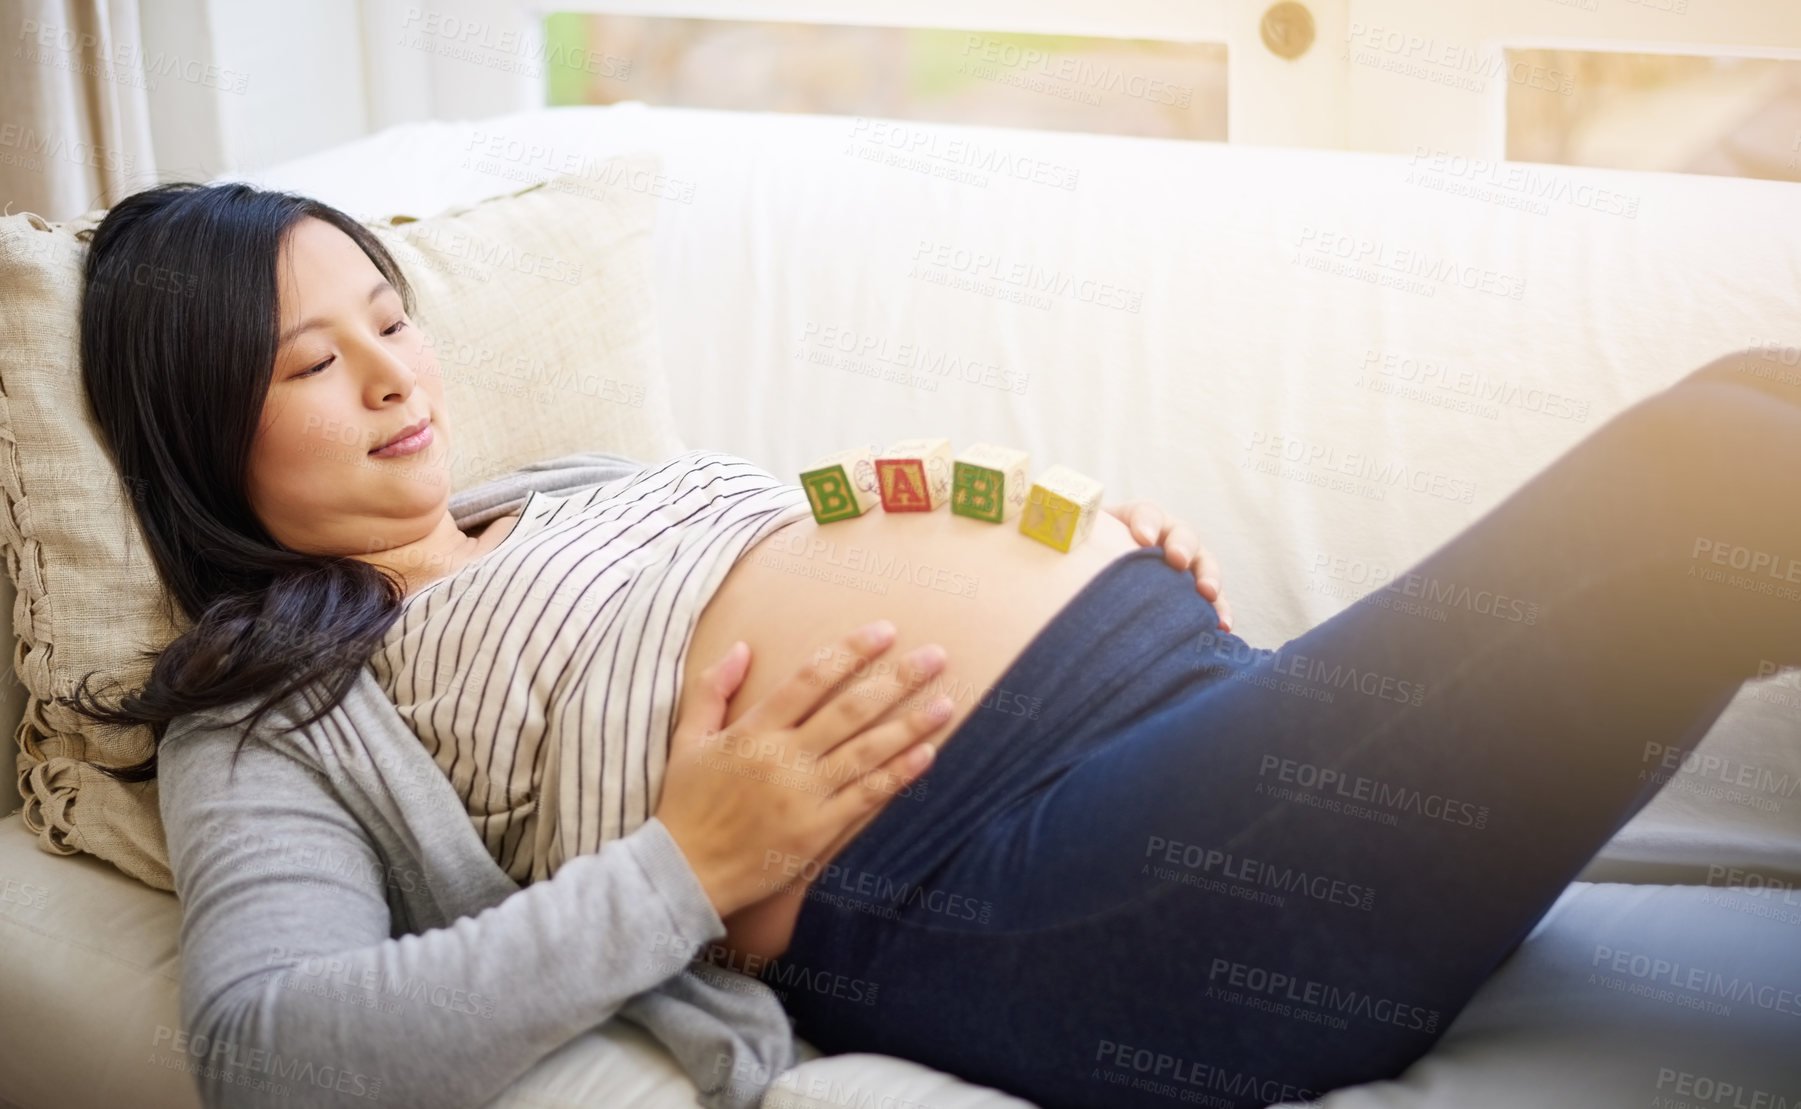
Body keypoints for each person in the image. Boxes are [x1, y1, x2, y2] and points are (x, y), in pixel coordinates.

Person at [63, 180, 1794, 1109]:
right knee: (1708, 477)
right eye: (309, 365)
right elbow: (273, 1053)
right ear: (201, 433)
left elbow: (848, 513)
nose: (391, 378)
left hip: (1173, 717)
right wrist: (688, 861)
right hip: (1019, 882)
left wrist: (1085, 554)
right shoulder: (276, 709)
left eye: (387, 319)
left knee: (1740, 408)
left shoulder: (559, 492)